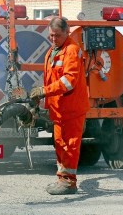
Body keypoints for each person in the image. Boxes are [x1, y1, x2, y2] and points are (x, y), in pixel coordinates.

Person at [30, 17, 90, 195]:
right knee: (60, 144)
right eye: (51, 35)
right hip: (59, 109)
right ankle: (62, 179)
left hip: (71, 109)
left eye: (57, 35)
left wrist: (44, 91)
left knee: (70, 146)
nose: (53, 39)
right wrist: (43, 95)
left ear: (67, 32)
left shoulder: (71, 51)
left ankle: (69, 183)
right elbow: (53, 78)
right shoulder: (53, 51)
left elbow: (69, 81)